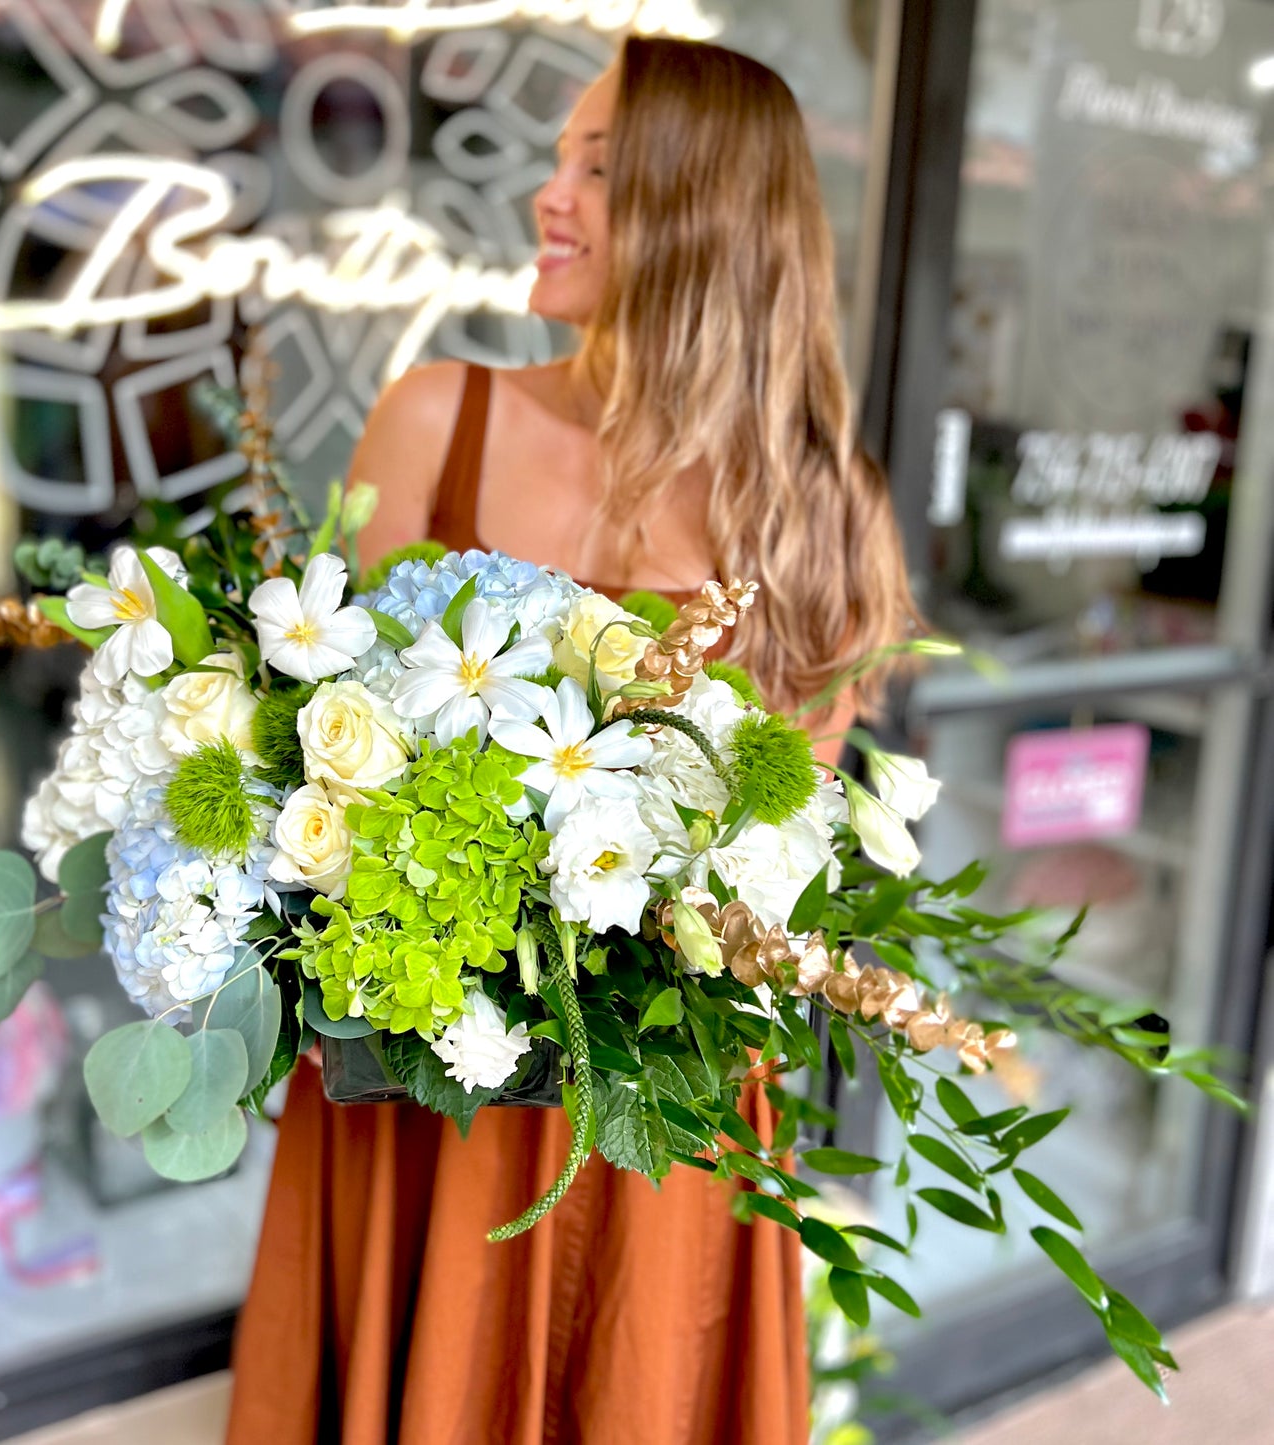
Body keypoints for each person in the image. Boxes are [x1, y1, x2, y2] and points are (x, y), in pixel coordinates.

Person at [227, 35, 915, 1445]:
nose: (550, 196)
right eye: (556, 161)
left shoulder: (822, 509)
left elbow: (779, 856)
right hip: (429, 1084)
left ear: (700, 206)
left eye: (597, 167)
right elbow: (318, 760)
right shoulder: (442, 414)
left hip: (658, 1105)